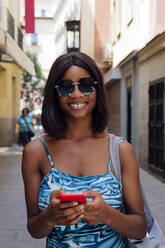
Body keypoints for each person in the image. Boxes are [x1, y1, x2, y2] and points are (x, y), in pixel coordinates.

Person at [22, 52, 147, 247]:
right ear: (54, 93)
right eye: (65, 87)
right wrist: (50, 216)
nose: (76, 94)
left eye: (86, 84)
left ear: (98, 90)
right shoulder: (35, 152)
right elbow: (34, 230)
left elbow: (140, 227)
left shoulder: (121, 150)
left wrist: (107, 214)